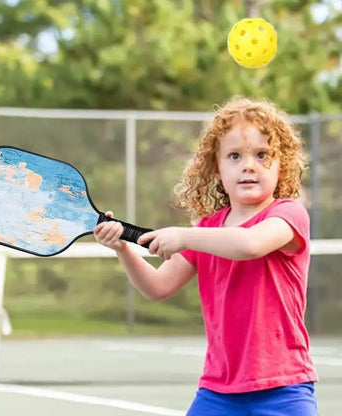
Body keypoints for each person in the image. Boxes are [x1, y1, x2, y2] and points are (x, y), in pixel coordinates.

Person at [93, 96, 319, 416]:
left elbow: (249, 244)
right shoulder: (209, 229)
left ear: (283, 165)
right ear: (216, 167)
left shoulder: (288, 215)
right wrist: (123, 248)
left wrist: (184, 236)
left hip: (284, 388)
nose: (248, 165)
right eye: (234, 156)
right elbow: (158, 287)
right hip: (218, 392)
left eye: (262, 154)